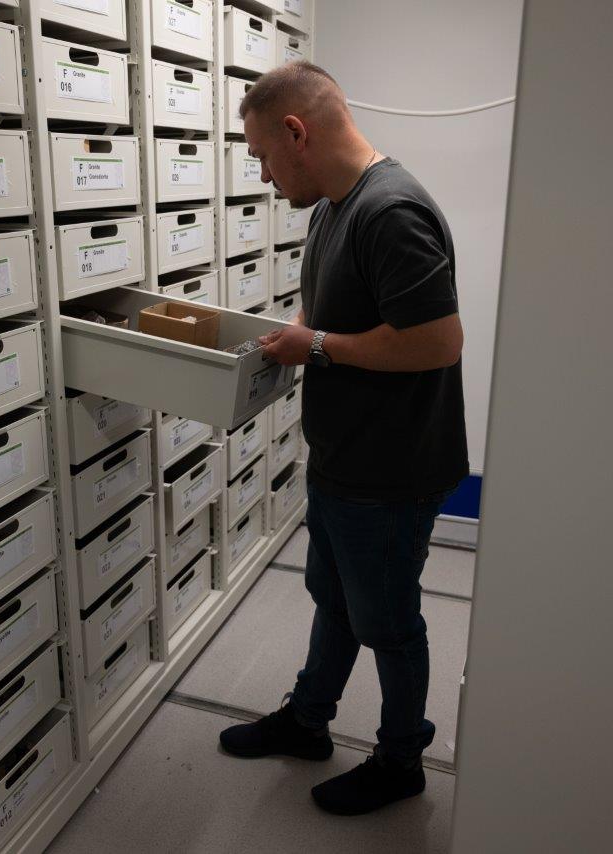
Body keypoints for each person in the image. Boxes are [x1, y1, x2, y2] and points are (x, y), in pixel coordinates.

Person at [218, 61, 469, 816]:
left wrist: (316, 344)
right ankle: (308, 719)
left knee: (388, 622)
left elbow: (437, 342)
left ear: (296, 132)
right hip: (342, 457)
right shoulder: (334, 206)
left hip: (390, 469)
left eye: (262, 154)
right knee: (334, 597)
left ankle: (401, 761)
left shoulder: (389, 209)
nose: (261, 174)